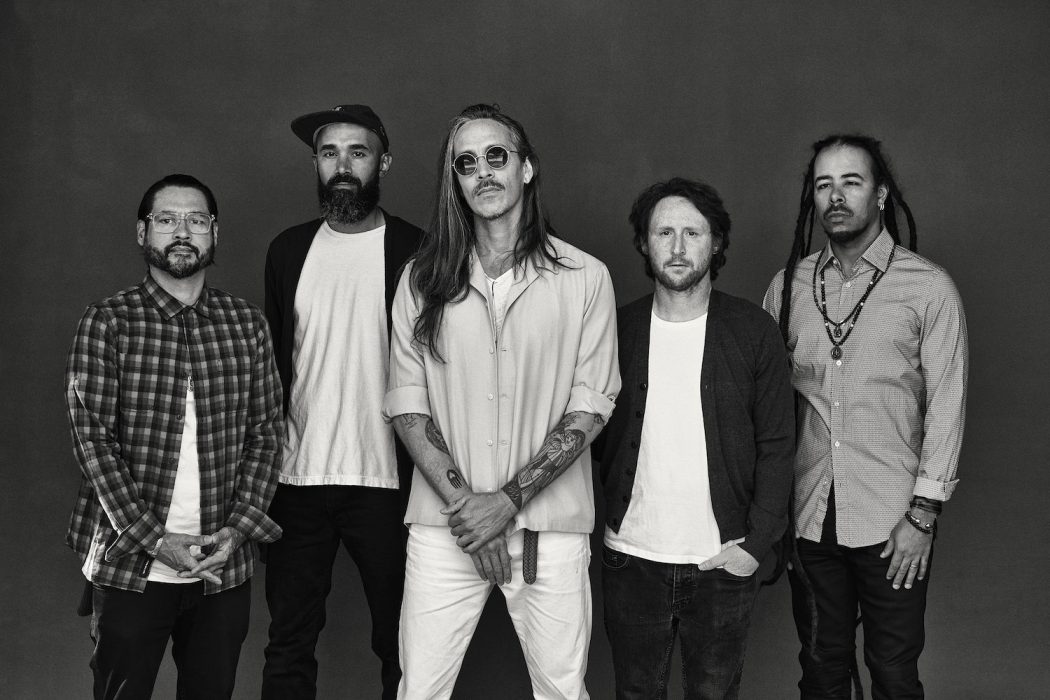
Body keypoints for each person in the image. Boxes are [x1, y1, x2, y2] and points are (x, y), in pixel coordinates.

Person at [383, 103, 620, 699]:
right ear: (455, 181)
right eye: (466, 163)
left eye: (496, 156)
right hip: (447, 527)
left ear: (526, 168)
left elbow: (590, 408)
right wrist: (474, 512)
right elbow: (408, 407)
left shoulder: (586, 277)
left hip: (548, 529)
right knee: (419, 692)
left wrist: (507, 502)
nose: (483, 172)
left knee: (562, 692)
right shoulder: (420, 280)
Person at [763, 135, 969, 699]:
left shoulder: (927, 287)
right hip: (810, 516)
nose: (835, 196)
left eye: (851, 182)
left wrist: (923, 516)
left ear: (880, 195)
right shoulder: (788, 286)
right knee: (821, 668)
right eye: (823, 185)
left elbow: (947, 403)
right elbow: (769, 408)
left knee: (893, 670)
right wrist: (770, 513)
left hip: (893, 521)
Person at [65, 173, 283, 699]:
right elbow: (93, 442)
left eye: (196, 220)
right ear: (143, 232)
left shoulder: (246, 323)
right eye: (166, 219)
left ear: (214, 233)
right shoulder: (108, 321)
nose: (182, 231)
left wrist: (236, 532)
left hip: (221, 564)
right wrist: (157, 540)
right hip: (130, 562)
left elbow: (267, 434)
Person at [597, 178, 795, 699]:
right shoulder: (617, 330)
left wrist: (756, 545)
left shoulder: (753, 330)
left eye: (693, 232)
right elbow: (586, 432)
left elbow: (778, 444)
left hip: (721, 561)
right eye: (664, 232)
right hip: (631, 558)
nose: (678, 247)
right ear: (644, 243)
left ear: (717, 242)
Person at [261, 104, 424, 699]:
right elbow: (276, 367)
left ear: (384, 162)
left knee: (405, 646)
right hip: (297, 479)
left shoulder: (418, 249)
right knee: (288, 642)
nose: (343, 166)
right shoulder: (288, 250)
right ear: (316, 164)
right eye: (330, 153)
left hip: (389, 481)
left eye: (358, 152)